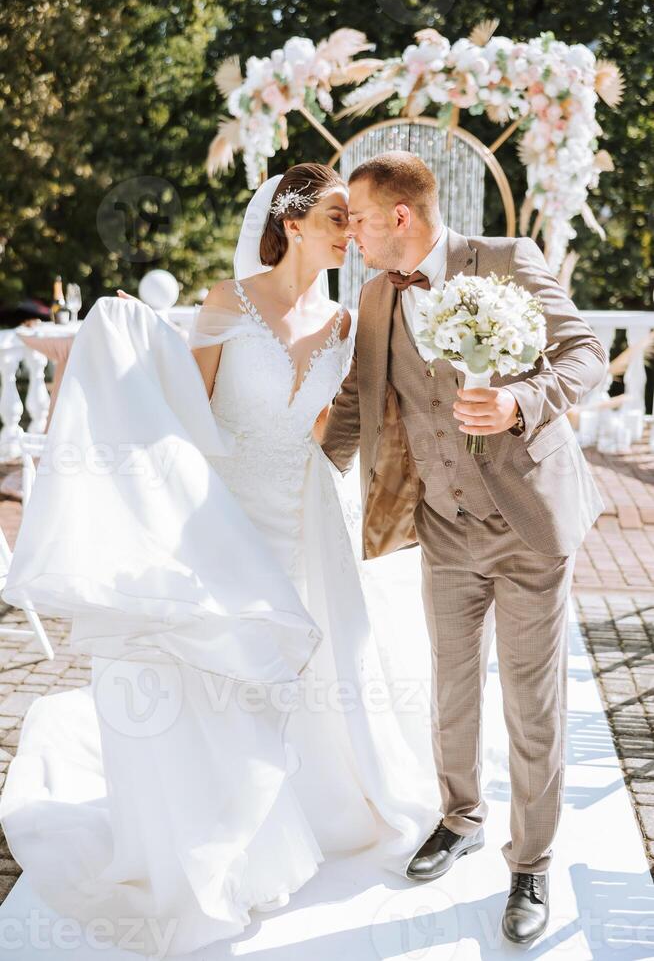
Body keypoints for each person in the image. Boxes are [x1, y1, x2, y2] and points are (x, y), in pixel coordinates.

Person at [0, 163, 436, 957]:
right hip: (230, 515)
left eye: (353, 219)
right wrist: (132, 336)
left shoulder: (345, 322)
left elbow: (354, 423)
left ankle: (309, 807)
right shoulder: (227, 303)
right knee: (226, 669)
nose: (352, 232)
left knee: (307, 666)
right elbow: (183, 409)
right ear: (293, 223)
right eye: (338, 218)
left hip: (310, 517)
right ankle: (230, 833)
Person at [321, 151, 608, 946]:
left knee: (531, 699)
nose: (354, 240)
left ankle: (532, 863)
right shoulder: (378, 298)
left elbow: (583, 353)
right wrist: (303, 477)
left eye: (363, 223)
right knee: (450, 686)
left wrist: (520, 399)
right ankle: (462, 817)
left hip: (528, 525)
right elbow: (356, 399)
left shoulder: (507, 262)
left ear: (400, 219)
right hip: (442, 525)